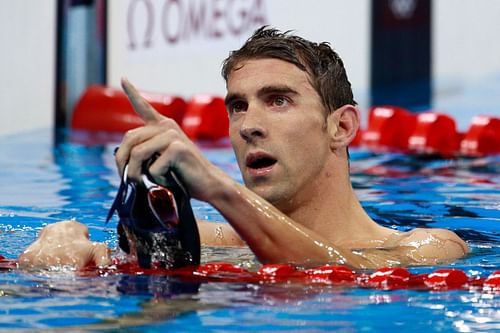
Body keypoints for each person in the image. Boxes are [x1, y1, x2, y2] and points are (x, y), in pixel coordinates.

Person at [18, 27, 468, 270]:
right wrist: (64, 249)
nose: (249, 125)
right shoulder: (217, 243)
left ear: (342, 127)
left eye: (278, 101)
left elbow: (342, 273)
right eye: (237, 107)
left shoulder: (424, 250)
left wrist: (217, 188)